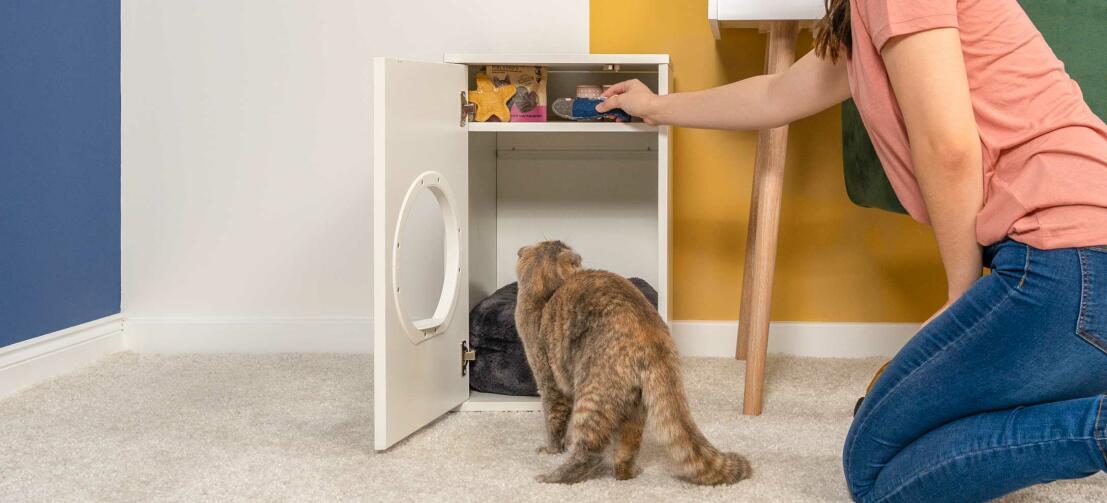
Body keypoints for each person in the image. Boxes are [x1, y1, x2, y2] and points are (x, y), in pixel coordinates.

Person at [598, 0, 1107, 501]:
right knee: (885, 448)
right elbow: (775, 95)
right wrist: (653, 106)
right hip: (1075, 267)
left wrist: (960, 294)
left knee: (873, 472)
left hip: (1067, 261)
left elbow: (946, 142)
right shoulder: (864, 18)